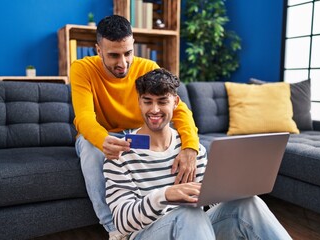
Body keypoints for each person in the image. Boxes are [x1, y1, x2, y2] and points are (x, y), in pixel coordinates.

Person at [104, 68, 292, 240]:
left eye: (162, 102)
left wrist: (232, 189)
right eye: (147, 102)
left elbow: (210, 203)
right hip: (147, 234)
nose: (154, 110)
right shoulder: (121, 153)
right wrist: (165, 195)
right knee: (188, 213)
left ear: (175, 102)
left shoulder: (192, 151)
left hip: (195, 231)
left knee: (249, 203)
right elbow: (122, 222)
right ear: (139, 102)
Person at [70, 15, 199, 240]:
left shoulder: (147, 66)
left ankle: (160, 216)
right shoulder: (82, 68)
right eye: (113, 55)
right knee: (91, 150)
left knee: (171, 140)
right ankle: (115, 230)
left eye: (128, 53)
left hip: (136, 136)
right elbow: (84, 118)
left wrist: (191, 146)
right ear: (98, 50)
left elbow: (179, 109)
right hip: (101, 135)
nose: (123, 63)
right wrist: (102, 140)